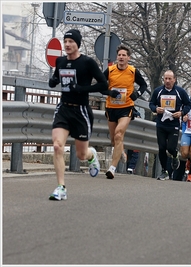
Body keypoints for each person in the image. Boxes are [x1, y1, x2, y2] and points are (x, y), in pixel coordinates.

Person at [48, 29, 108, 200]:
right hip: (64, 109)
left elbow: (102, 84)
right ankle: (61, 188)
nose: (67, 44)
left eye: (71, 41)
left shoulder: (87, 63)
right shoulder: (60, 61)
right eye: (65, 41)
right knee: (57, 146)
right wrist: (53, 81)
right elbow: (55, 80)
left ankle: (91, 155)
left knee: (81, 155)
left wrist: (82, 89)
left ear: (78, 44)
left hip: (81, 111)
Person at [102, 44, 148, 179]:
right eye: (119, 55)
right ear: (117, 57)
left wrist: (137, 94)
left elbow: (143, 85)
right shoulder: (110, 71)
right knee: (113, 140)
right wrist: (110, 92)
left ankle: (112, 168)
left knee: (118, 134)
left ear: (128, 58)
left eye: (124, 55)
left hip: (126, 108)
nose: (121, 57)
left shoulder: (133, 71)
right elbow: (100, 86)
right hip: (111, 108)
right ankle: (121, 150)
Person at [149, 70, 191, 180]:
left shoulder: (180, 92)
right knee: (162, 147)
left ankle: (174, 154)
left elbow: (188, 104)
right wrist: (155, 109)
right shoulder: (158, 91)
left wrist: (181, 113)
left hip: (174, 124)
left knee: (170, 147)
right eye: (165, 79)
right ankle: (164, 171)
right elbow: (151, 103)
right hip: (161, 123)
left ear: (174, 79)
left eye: (169, 79)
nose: (167, 81)